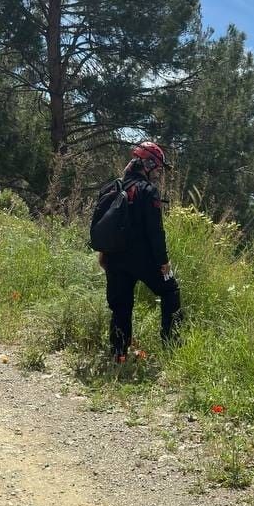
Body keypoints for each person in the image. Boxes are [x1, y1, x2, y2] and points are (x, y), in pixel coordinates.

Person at [99, 141, 183, 362]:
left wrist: (103, 253)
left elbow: (103, 224)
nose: (157, 174)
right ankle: (172, 348)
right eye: (156, 168)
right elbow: (155, 231)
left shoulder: (111, 188)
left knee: (121, 306)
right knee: (170, 290)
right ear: (147, 165)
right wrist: (163, 261)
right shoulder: (148, 191)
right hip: (144, 260)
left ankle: (119, 355)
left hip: (114, 258)